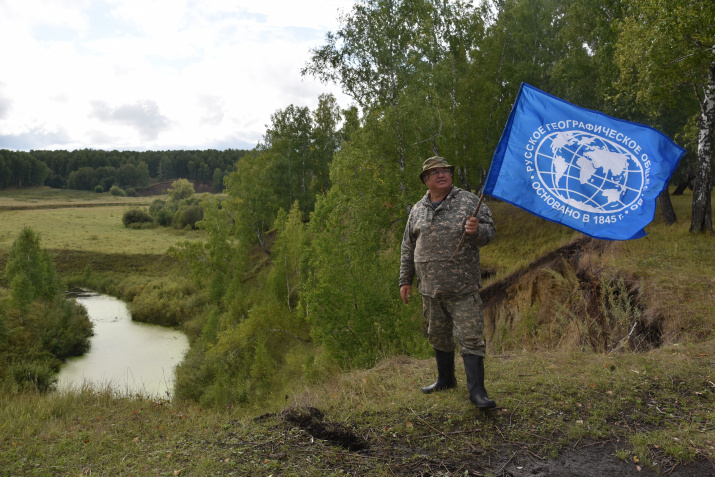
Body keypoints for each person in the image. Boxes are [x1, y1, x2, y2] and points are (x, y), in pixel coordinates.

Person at [399, 156, 496, 408]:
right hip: (430, 290)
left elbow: (489, 234)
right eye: (434, 172)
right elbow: (408, 247)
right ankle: (445, 380)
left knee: (470, 338)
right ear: (425, 180)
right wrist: (405, 280)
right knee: (438, 336)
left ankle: (477, 392)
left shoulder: (468, 201)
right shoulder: (417, 210)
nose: (441, 175)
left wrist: (477, 231)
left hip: (462, 289)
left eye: (445, 171)